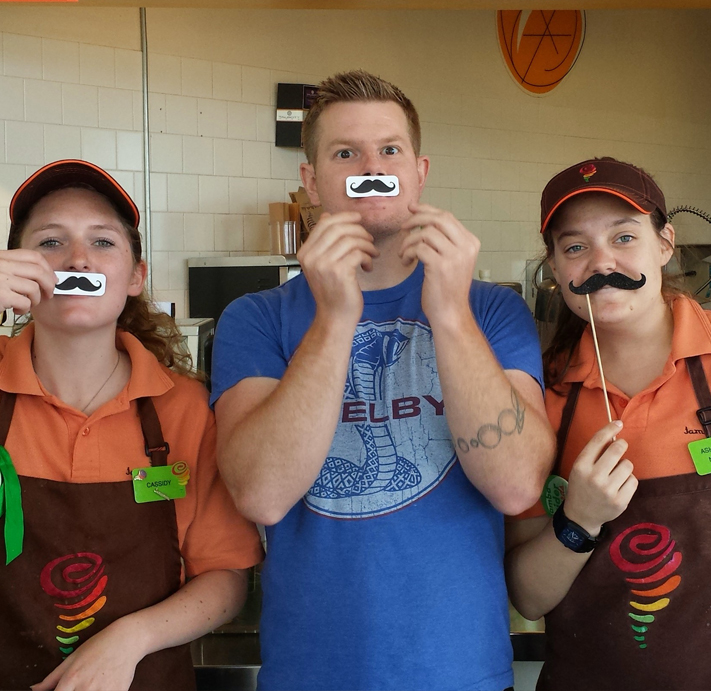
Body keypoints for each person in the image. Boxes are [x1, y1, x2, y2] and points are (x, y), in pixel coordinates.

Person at [212, 70, 555, 691]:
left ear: (419, 172)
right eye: (346, 154)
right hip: (309, 677)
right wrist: (335, 318)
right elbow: (262, 495)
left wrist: (448, 314)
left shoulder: (492, 311)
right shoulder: (255, 318)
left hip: (463, 675)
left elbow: (514, 485)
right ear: (311, 180)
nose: (372, 168)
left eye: (389, 150)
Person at [0, 160, 263, 691]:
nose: (77, 259)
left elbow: (226, 574)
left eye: (102, 242)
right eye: (50, 242)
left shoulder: (186, 409)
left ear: (136, 276)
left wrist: (130, 639)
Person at [505, 157, 711, 690]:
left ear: (665, 243)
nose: (601, 263)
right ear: (555, 268)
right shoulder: (539, 393)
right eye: (575, 247)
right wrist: (578, 520)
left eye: (624, 237)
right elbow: (529, 597)